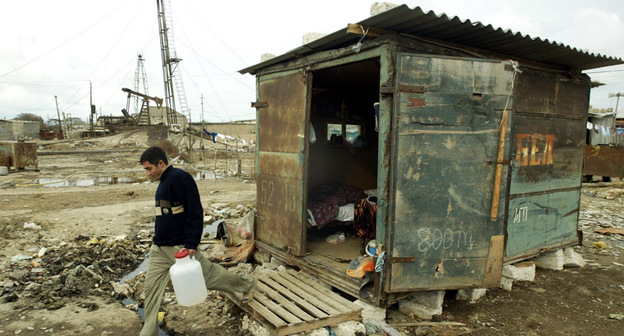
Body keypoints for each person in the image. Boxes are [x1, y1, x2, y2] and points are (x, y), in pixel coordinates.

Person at [139, 146, 255, 336]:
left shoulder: (180, 178)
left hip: (180, 249)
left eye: (149, 168)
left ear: (161, 163)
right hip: (159, 248)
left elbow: (195, 211)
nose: (147, 173)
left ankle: (245, 284)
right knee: (151, 291)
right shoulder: (163, 182)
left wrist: (191, 244)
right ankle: (148, 332)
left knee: (209, 277)